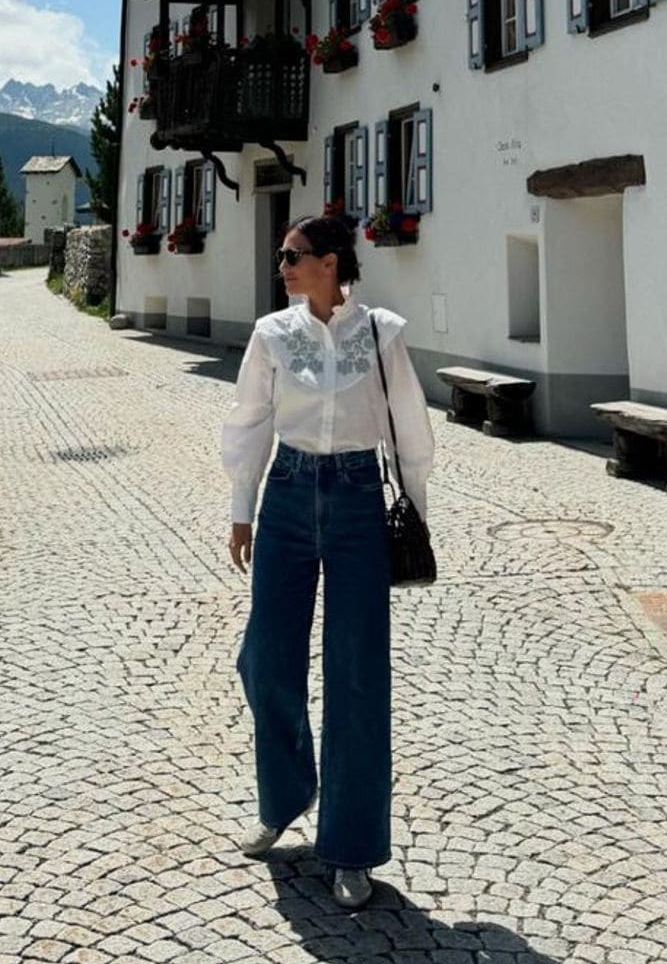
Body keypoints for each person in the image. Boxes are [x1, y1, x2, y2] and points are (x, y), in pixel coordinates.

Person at [221, 214, 434, 910]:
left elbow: (410, 427)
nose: (281, 265)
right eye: (282, 254)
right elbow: (249, 420)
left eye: (294, 255)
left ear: (331, 262)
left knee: (358, 673)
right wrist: (242, 507)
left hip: (355, 503)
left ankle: (351, 847)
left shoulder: (383, 333)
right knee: (265, 657)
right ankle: (285, 794)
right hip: (286, 494)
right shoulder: (272, 334)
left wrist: (418, 513)